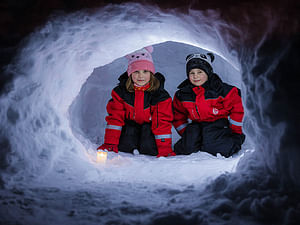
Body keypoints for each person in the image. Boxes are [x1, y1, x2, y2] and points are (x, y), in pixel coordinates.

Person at [97, 46, 176, 157]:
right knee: (126, 143)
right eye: (136, 72)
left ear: (151, 73)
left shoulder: (160, 95)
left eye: (145, 71)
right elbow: (115, 119)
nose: (141, 76)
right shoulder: (120, 92)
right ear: (130, 74)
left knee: (149, 146)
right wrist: (110, 143)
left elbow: (161, 122)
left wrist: (165, 149)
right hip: (129, 127)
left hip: (149, 129)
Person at [172, 52, 245, 157]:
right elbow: (177, 115)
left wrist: (236, 131)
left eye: (200, 72)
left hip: (218, 123)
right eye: (192, 73)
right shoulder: (183, 94)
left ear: (208, 72)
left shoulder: (222, 90)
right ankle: (199, 141)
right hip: (196, 125)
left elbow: (237, 109)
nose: (195, 76)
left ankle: (235, 141)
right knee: (186, 148)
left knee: (217, 148)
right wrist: (186, 133)